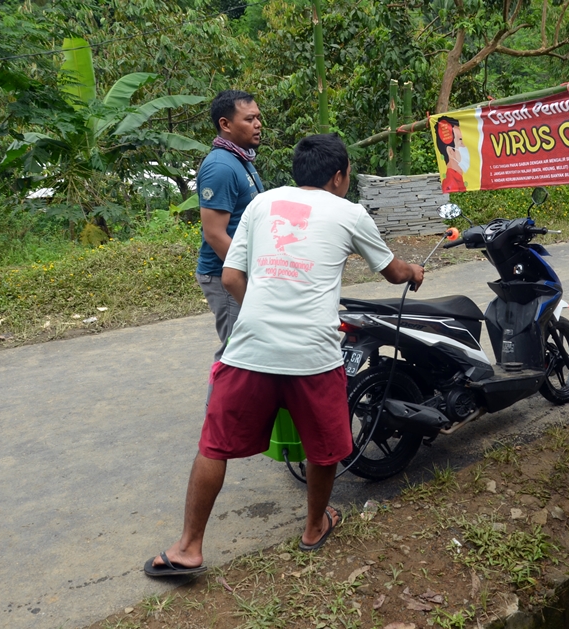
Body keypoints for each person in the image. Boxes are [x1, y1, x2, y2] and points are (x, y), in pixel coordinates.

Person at [144, 134, 424, 577]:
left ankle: (188, 548)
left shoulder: (261, 204)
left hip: (249, 346)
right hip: (313, 355)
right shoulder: (350, 212)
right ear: (339, 176)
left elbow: (233, 276)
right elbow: (393, 273)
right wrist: (414, 270)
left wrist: (266, 308)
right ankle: (314, 527)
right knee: (324, 446)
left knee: (213, 446)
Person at [196, 90, 264, 362]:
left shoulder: (240, 160)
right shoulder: (220, 167)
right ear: (225, 124)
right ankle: (218, 406)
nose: (258, 124)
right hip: (225, 276)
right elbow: (214, 234)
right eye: (249, 119)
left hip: (239, 271)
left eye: (258, 117)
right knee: (237, 356)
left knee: (253, 351)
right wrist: (245, 273)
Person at [434, 116, 469, 193]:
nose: (465, 146)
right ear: (450, 151)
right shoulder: (451, 185)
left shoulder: (459, 180)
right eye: (461, 141)